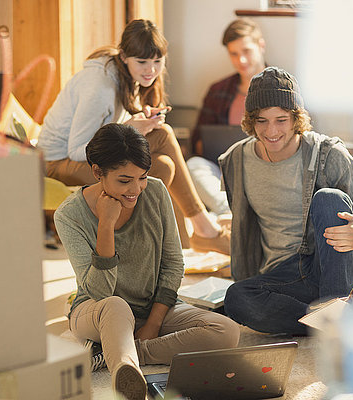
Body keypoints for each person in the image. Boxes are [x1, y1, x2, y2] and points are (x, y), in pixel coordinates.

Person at [54, 123, 240, 400]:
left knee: (226, 331)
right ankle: (125, 369)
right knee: (116, 305)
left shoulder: (155, 191)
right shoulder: (69, 215)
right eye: (124, 180)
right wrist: (106, 224)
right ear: (97, 172)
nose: (136, 189)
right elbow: (99, 293)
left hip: (151, 306)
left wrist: (153, 323)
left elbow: (173, 264)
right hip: (97, 310)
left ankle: (114, 352)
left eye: (142, 177)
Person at [39, 19, 229, 254]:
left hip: (88, 156)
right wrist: (129, 127)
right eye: (142, 62)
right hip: (58, 164)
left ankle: (185, 243)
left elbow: (107, 126)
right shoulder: (99, 87)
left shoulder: (123, 75)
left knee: (163, 165)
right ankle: (199, 234)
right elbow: (77, 150)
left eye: (157, 61)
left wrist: (140, 118)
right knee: (163, 143)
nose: (151, 70)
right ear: (124, 57)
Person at [220, 67, 353, 335]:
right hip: (281, 278)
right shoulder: (235, 160)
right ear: (251, 120)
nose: (271, 131)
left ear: (296, 118)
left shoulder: (329, 155)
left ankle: (333, 308)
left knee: (329, 199)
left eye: (281, 120)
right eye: (261, 121)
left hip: (326, 267)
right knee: (236, 299)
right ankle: (330, 322)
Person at [187, 18, 267, 216]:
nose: (241, 60)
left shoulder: (284, 88)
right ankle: (232, 214)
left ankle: (229, 217)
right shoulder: (217, 92)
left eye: (246, 51)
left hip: (266, 175)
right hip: (225, 176)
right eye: (234, 54)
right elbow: (198, 143)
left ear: (261, 46)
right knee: (194, 165)